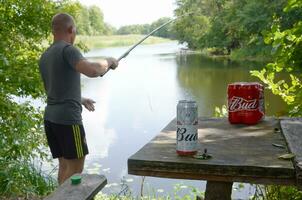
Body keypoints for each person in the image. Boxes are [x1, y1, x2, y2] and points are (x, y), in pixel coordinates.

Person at [39, 13, 118, 184]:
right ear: (71, 29)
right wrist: (109, 61)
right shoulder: (68, 50)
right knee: (75, 169)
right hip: (68, 120)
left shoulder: (45, 55)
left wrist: (80, 99)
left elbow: (54, 90)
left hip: (51, 119)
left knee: (64, 166)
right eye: (75, 32)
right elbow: (93, 70)